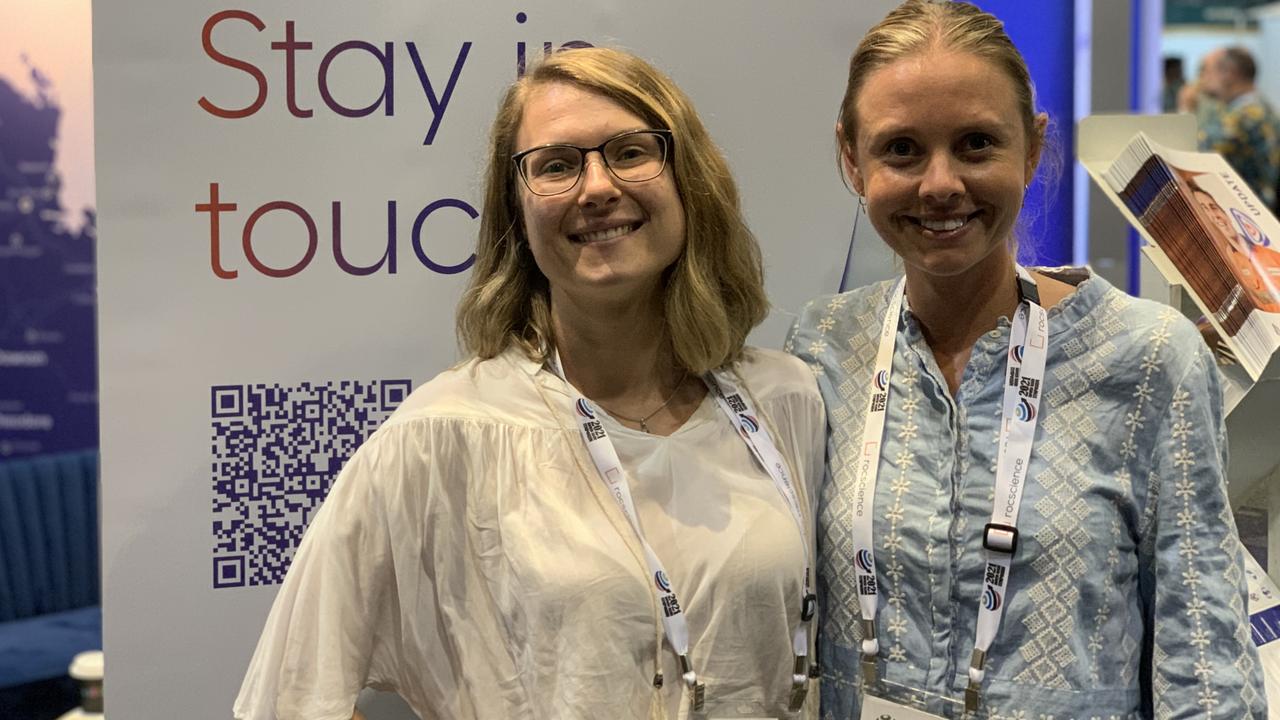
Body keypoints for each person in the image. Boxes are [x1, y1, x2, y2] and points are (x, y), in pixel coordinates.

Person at [233, 47, 825, 720]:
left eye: (631, 152)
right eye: (557, 165)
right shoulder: (445, 433)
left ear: (689, 181)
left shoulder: (786, 400)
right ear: (515, 214)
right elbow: (289, 698)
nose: (597, 186)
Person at [786, 2, 1268, 718]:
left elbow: (1205, 665)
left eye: (977, 144)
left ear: (1034, 149)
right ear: (851, 158)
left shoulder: (1148, 361)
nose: (941, 183)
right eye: (902, 149)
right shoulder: (825, 346)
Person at [1178, 46, 1280, 212]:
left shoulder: (1246, 116)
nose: (1199, 80)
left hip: (1248, 216)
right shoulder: (1260, 107)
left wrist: (1186, 110)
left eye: (1204, 71)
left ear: (1229, 73)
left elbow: (1193, 152)